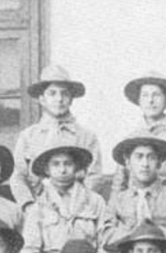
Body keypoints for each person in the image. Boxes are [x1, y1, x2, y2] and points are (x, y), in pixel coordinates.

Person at [20, 144, 106, 253]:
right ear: (47, 169)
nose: (62, 170)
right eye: (56, 164)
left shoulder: (95, 202)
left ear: (77, 167)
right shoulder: (38, 207)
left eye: (68, 163)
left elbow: (105, 244)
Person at [11, 65, 102, 207]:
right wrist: (28, 205)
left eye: (64, 94)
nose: (59, 99)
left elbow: (94, 176)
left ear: (71, 99)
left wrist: (81, 204)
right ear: (42, 99)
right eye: (52, 93)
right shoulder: (28, 137)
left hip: (77, 208)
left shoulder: (86, 136)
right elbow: (18, 177)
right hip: (38, 209)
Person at [100, 135, 166, 253]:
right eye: (139, 157)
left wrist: (129, 231)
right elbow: (107, 239)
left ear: (159, 163)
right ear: (128, 162)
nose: (145, 164)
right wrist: (138, 229)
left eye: (151, 158)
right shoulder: (118, 199)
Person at [115, 71, 166, 191]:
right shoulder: (131, 138)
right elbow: (119, 181)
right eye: (145, 95)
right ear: (139, 101)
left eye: (156, 95)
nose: (150, 100)